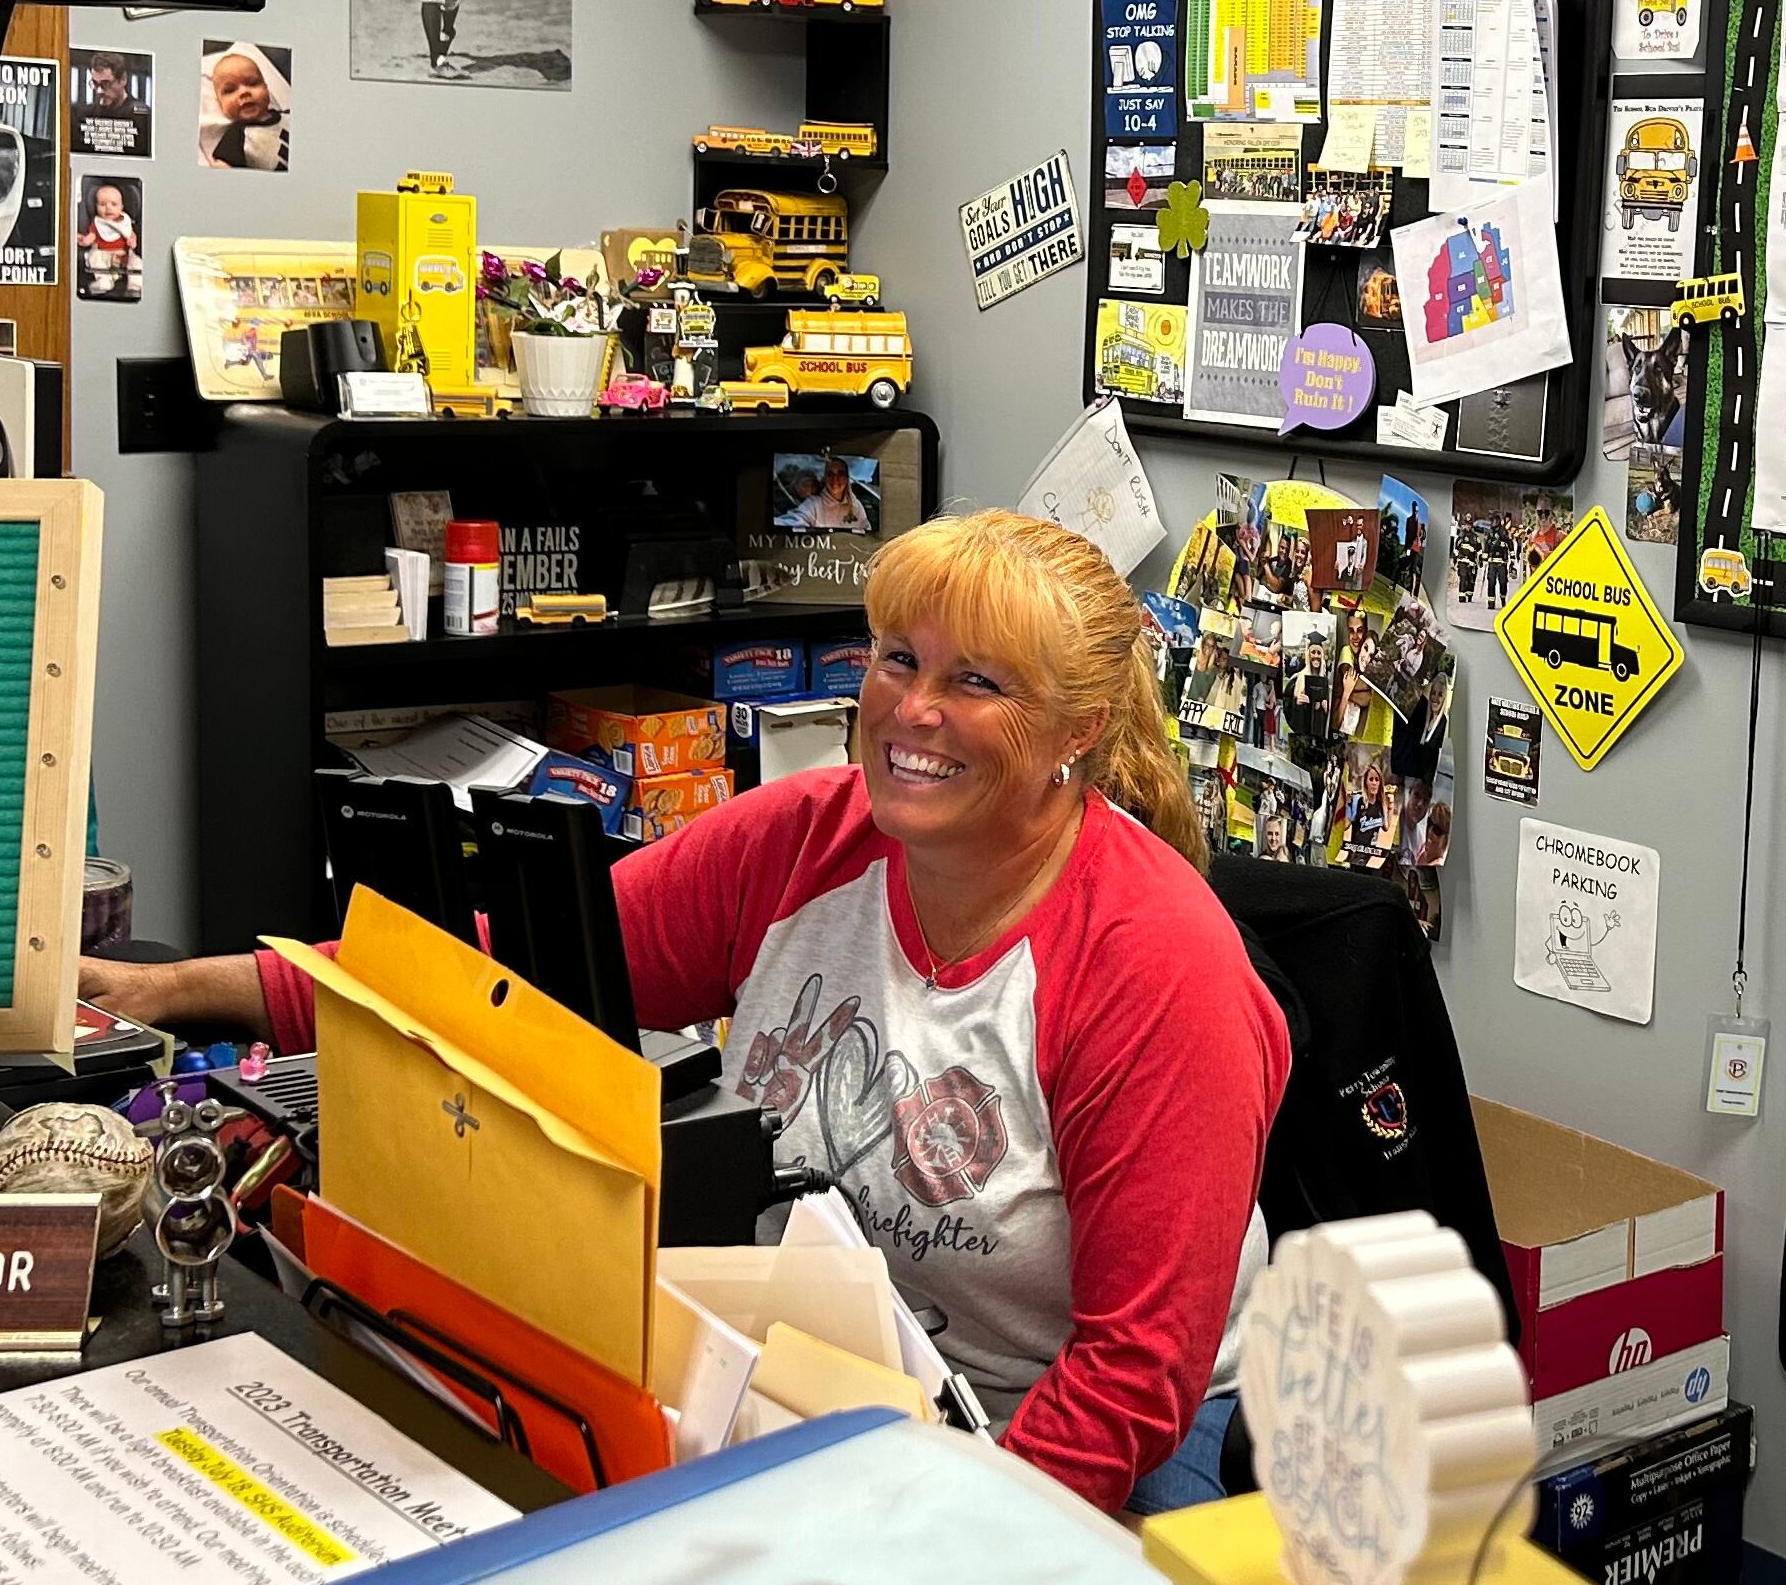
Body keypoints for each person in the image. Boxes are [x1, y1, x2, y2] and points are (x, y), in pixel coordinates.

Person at [86, 511, 1288, 1516]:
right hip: (833, 1392)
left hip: (1078, 1440)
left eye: (976, 682)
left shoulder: (1152, 963)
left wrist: (945, 1553)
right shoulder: (805, 842)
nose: (912, 710)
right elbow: (499, 975)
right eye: (895, 658)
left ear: (1077, 730)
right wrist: (171, 994)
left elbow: (1133, 1378)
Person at [201, 47, 287, 171]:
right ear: (220, 104)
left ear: (267, 88)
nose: (244, 92)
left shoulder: (288, 115)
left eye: (252, 83)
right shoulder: (236, 137)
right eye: (230, 90)